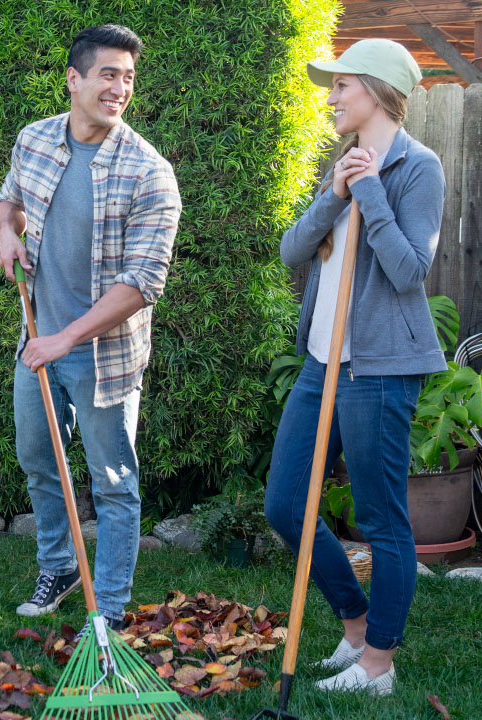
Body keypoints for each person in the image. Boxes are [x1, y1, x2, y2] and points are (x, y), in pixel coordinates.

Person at [264, 38, 446, 696]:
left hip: (381, 367)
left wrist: (370, 192)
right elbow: (293, 250)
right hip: (322, 362)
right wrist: (336, 194)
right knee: (285, 505)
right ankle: (353, 623)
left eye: (342, 85)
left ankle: (379, 663)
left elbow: (407, 269)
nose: (332, 96)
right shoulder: (340, 164)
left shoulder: (417, 168)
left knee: (380, 518)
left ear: (376, 88)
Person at [0, 25, 181, 633]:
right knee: (38, 458)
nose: (120, 87)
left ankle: (113, 608)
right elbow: (10, 199)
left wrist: (65, 338)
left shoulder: (149, 172)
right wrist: (6, 233)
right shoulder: (36, 140)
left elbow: (142, 282)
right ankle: (59, 567)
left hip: (104, 357)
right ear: (73, 79)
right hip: (38, 340)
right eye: (108, 74)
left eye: (128, 77)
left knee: (114, 483)